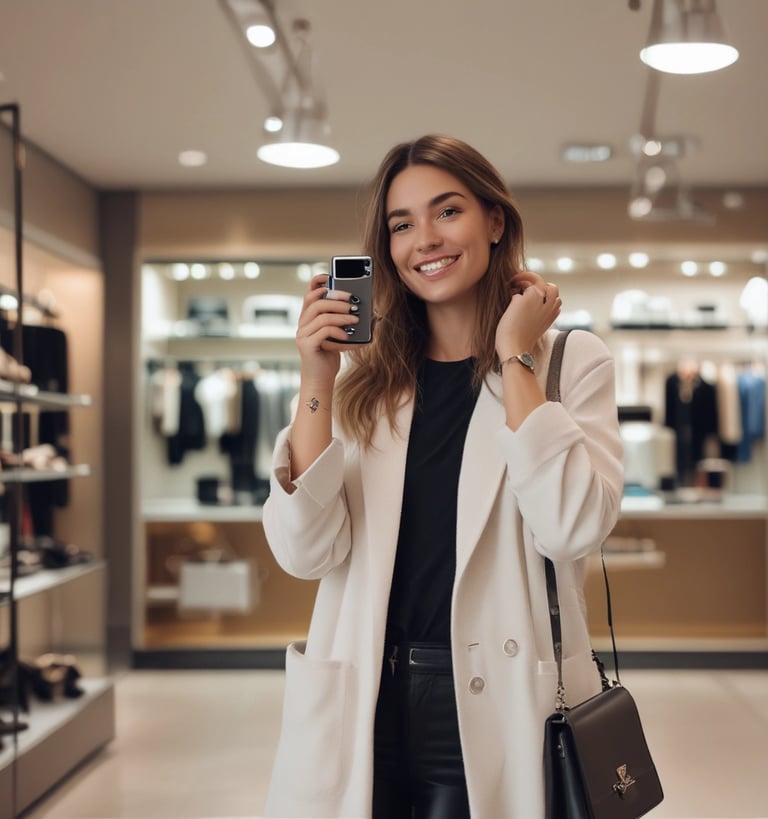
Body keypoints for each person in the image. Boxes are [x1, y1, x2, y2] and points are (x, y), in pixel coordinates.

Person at [261, 134, 624, 819]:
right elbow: (305, 552)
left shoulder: (570, 362)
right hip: (366, 696)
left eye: (447, 211)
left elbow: (572, 525)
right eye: (401, 224)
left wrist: (514, 354)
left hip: (501, 694)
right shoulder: (362, 384)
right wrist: (316, 376)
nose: (424, 238)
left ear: (495, 221)